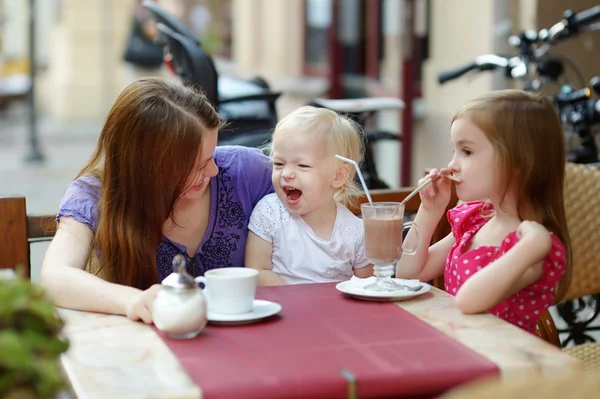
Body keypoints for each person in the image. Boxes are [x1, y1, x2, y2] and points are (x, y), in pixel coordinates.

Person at [40, 77, 273, 324]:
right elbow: (55, 276)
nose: (213, 170)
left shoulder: (246, 172)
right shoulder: (96, 194)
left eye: (211, 155)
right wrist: (132, 301)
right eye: (197, 165)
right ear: (147, 166)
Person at [396, 89, 571, 335]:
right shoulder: (476, 220)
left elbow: (468, 301)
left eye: (466, 152)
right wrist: (429, 211)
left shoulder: (534, 247)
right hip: (463, 353)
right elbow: (408, 274)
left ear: (517, 162)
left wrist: (533, 244)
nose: (451, 165)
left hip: (507, 367)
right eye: (454, 151)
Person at [245, 106, 374, 285]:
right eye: (279, 163)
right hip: (283, 308)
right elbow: (257, 271)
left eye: (303, 166)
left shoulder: (355, 232)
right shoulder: (269, 213)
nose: (286, 174)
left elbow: (368, 286)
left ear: (338, 176)